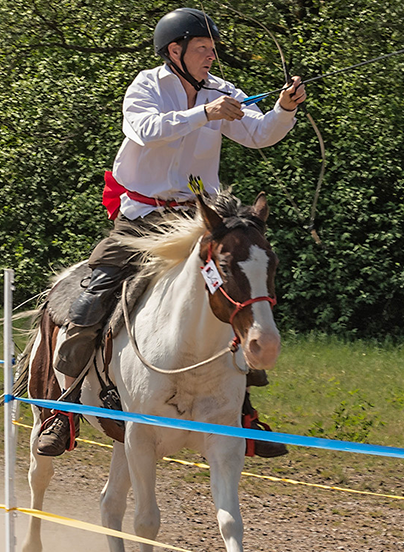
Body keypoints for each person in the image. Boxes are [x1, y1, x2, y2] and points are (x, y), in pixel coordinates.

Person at [35, 7, 306, 457]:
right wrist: (205, 113)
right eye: (202, 49)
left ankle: (243, 412)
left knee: (237, 291)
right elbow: (143, 130)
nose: (211, 57)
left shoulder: (222, 90)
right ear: (174, 51)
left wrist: (284, 108)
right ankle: (62, 410)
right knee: (92, 296)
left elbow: (259, 133)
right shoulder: (147, 86)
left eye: (213, 49)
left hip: (198, 219)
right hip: (141, 219)